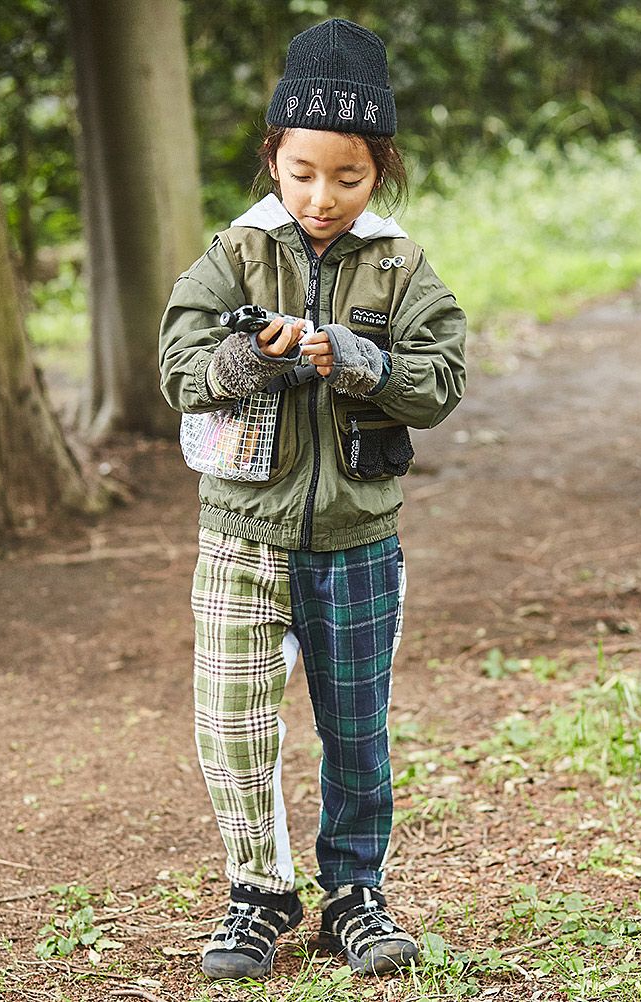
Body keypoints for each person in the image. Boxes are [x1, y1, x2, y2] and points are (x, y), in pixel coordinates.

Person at [159, 17, 466, 980]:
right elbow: (179, 369)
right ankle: (257, 893)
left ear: (382, 170)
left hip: (357, 540)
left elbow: (442, 379)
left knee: (356, 731)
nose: (321, 198)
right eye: (301, 173)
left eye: (348, 177)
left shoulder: (400, 265)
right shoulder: (234, 253)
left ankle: (355, 897)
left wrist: (364, 362)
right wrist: (250, 358)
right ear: (273, 158)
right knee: (230, 724)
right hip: (239, 538)